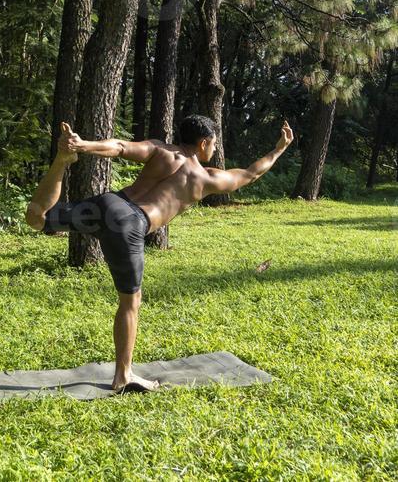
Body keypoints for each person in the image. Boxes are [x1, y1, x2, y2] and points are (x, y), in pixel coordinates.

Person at [25, 114, 294, 394]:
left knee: (37, 218)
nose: (214, 149)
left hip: (109, 204)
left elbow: (118, 146)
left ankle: (61, 161)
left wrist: (81, 146)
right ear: (204, 143)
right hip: (128, 223)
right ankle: (124, 375)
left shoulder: (160, 149)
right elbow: (251, 174)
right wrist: (279, 149)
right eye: (214, 144)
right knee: (131, 303)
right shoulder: (205, 177)